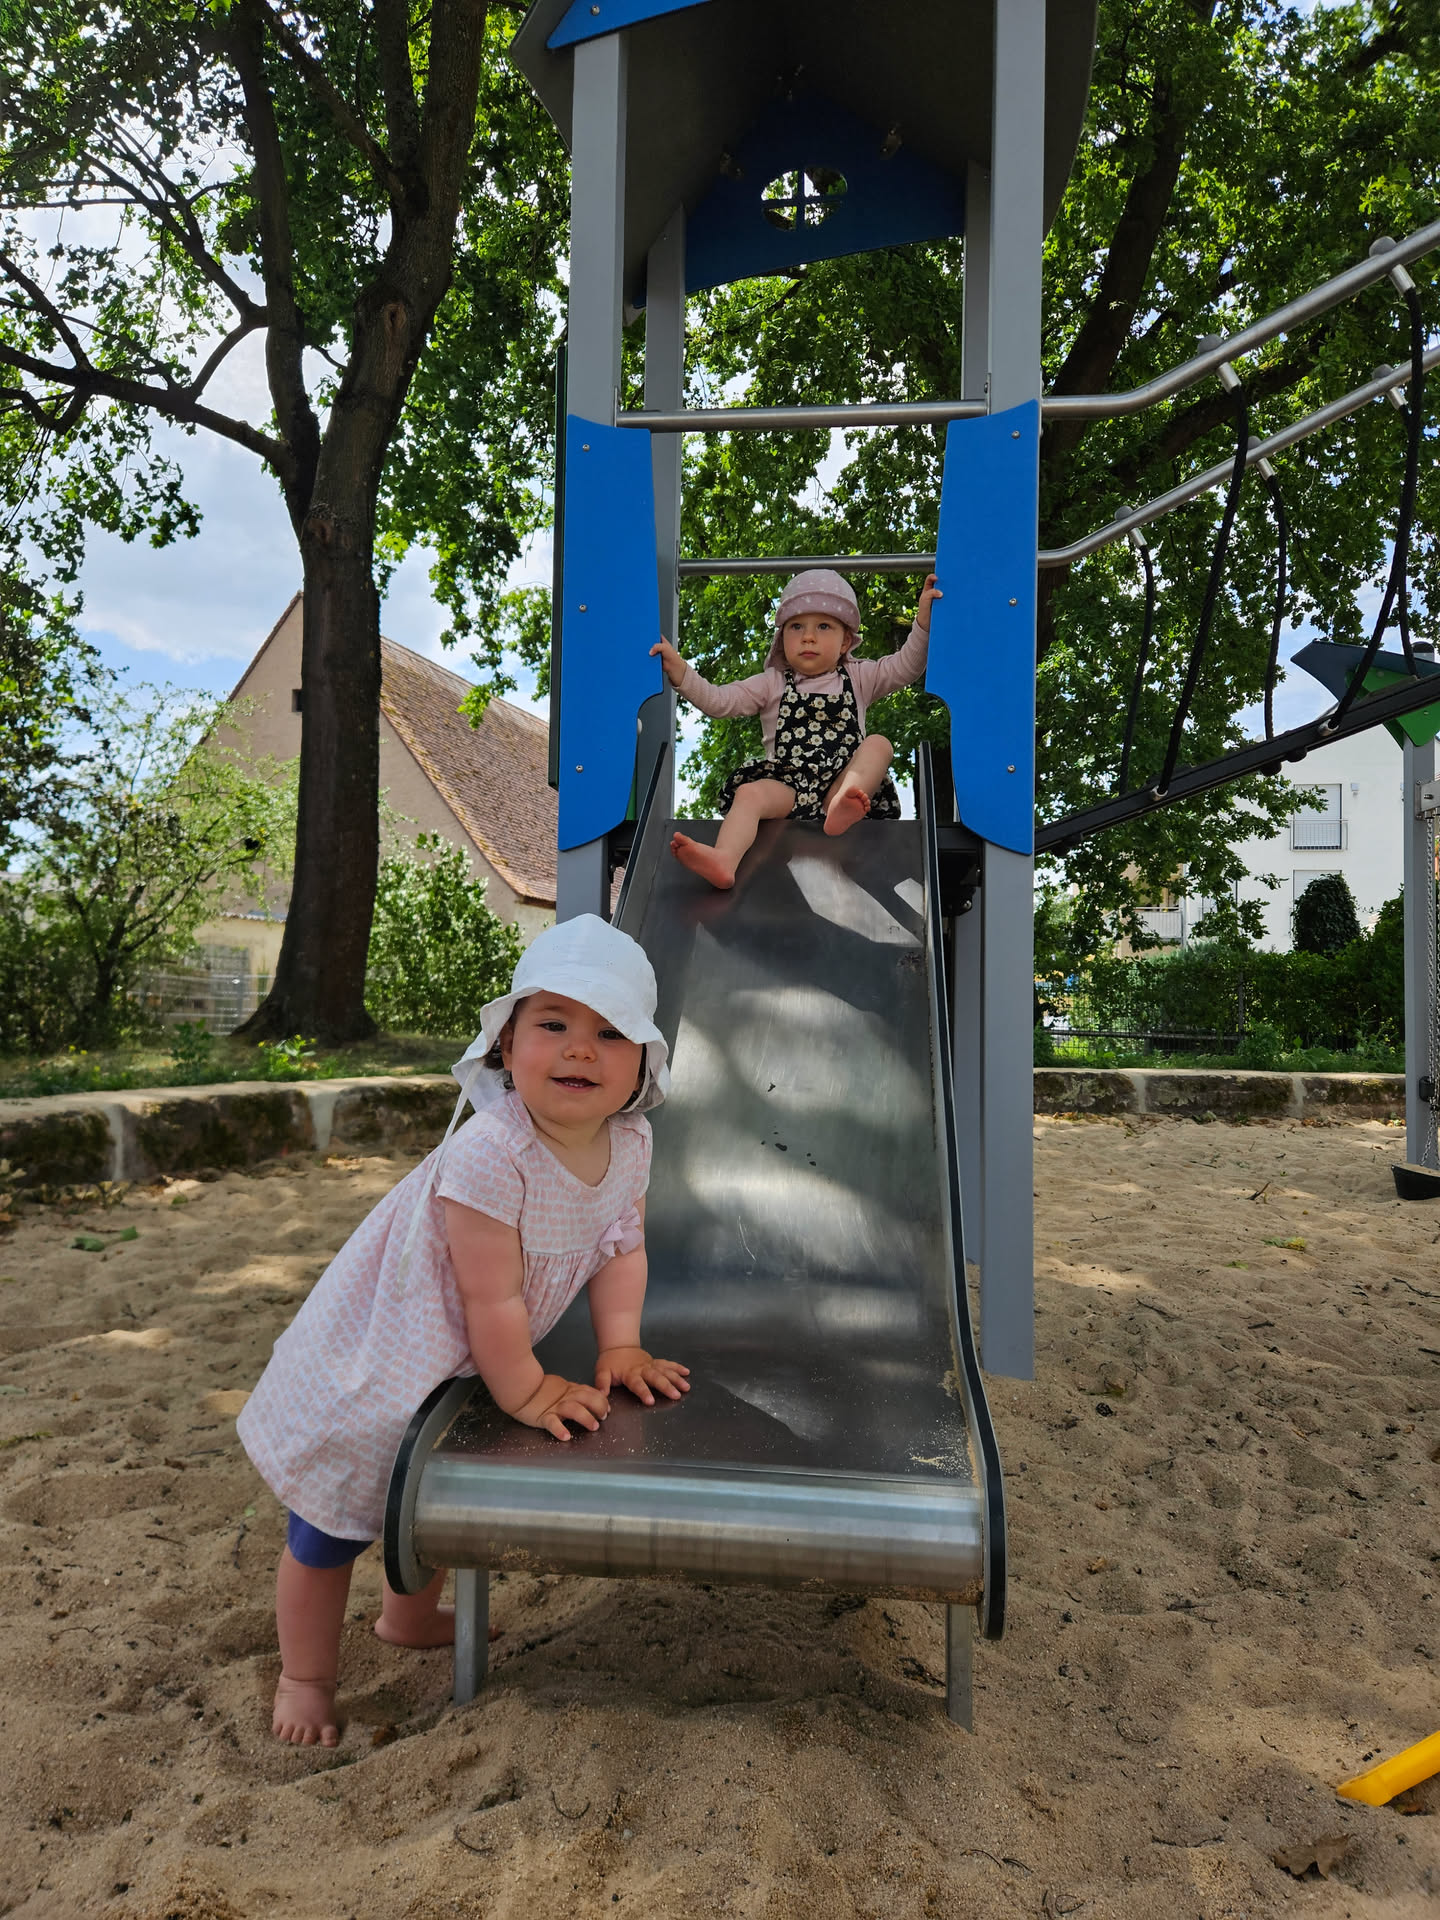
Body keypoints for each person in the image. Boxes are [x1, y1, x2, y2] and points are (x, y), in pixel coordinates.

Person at [236, 916, 688, 1748]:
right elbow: (491, 1298)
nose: (580, 1049)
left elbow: (623, 1245)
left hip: (469, 1357)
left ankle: (407, 1618)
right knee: (330, 1524)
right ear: (508, 1045)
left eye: (610, 1033)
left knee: (432, 1480)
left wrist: (619, 1344)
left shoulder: (631, 1142)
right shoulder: (493, 1151)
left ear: (643, 1064)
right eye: (553, 1024)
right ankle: (305, 1678)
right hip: (384, 1355)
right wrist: (527, 1389)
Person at [650, 567, 942, 889]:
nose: (808, 636)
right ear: (781, 637)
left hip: (843, 783)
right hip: (790, 787)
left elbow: (905, 667)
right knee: (749, 793)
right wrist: (681, 672)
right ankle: (724, 859)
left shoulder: (859, 677)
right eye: (796, 626)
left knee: (879, 744)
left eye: (824, 626)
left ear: (845, 640)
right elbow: (720, 701)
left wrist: (923, 624)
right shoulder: (772, 683)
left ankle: (840, 805)